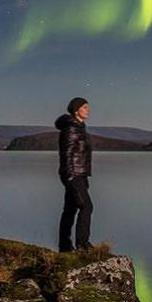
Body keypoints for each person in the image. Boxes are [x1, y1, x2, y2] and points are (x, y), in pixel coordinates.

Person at [56, 97, 93, 252]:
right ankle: (82, 245)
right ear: (76, 110)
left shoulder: (79, 127)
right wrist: (70, 177)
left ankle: (64, 246)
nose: (88, 110)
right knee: (86, 206)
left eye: (87, 107)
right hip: (73, 174)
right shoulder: (71, 129)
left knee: (70, 209)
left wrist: (83, 176)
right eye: (85, 107)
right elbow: (67, 154)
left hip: (80, 174)